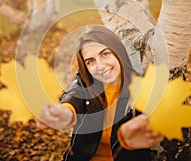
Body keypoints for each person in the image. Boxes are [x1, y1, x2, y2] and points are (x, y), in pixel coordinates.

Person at [37, 25, 163, 161]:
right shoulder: (86, 85)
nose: (100, 66)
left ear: (118, 51)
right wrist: (63, 112)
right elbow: (72, 98)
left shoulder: (142, 86)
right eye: (91, 61)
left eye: (105, 54)